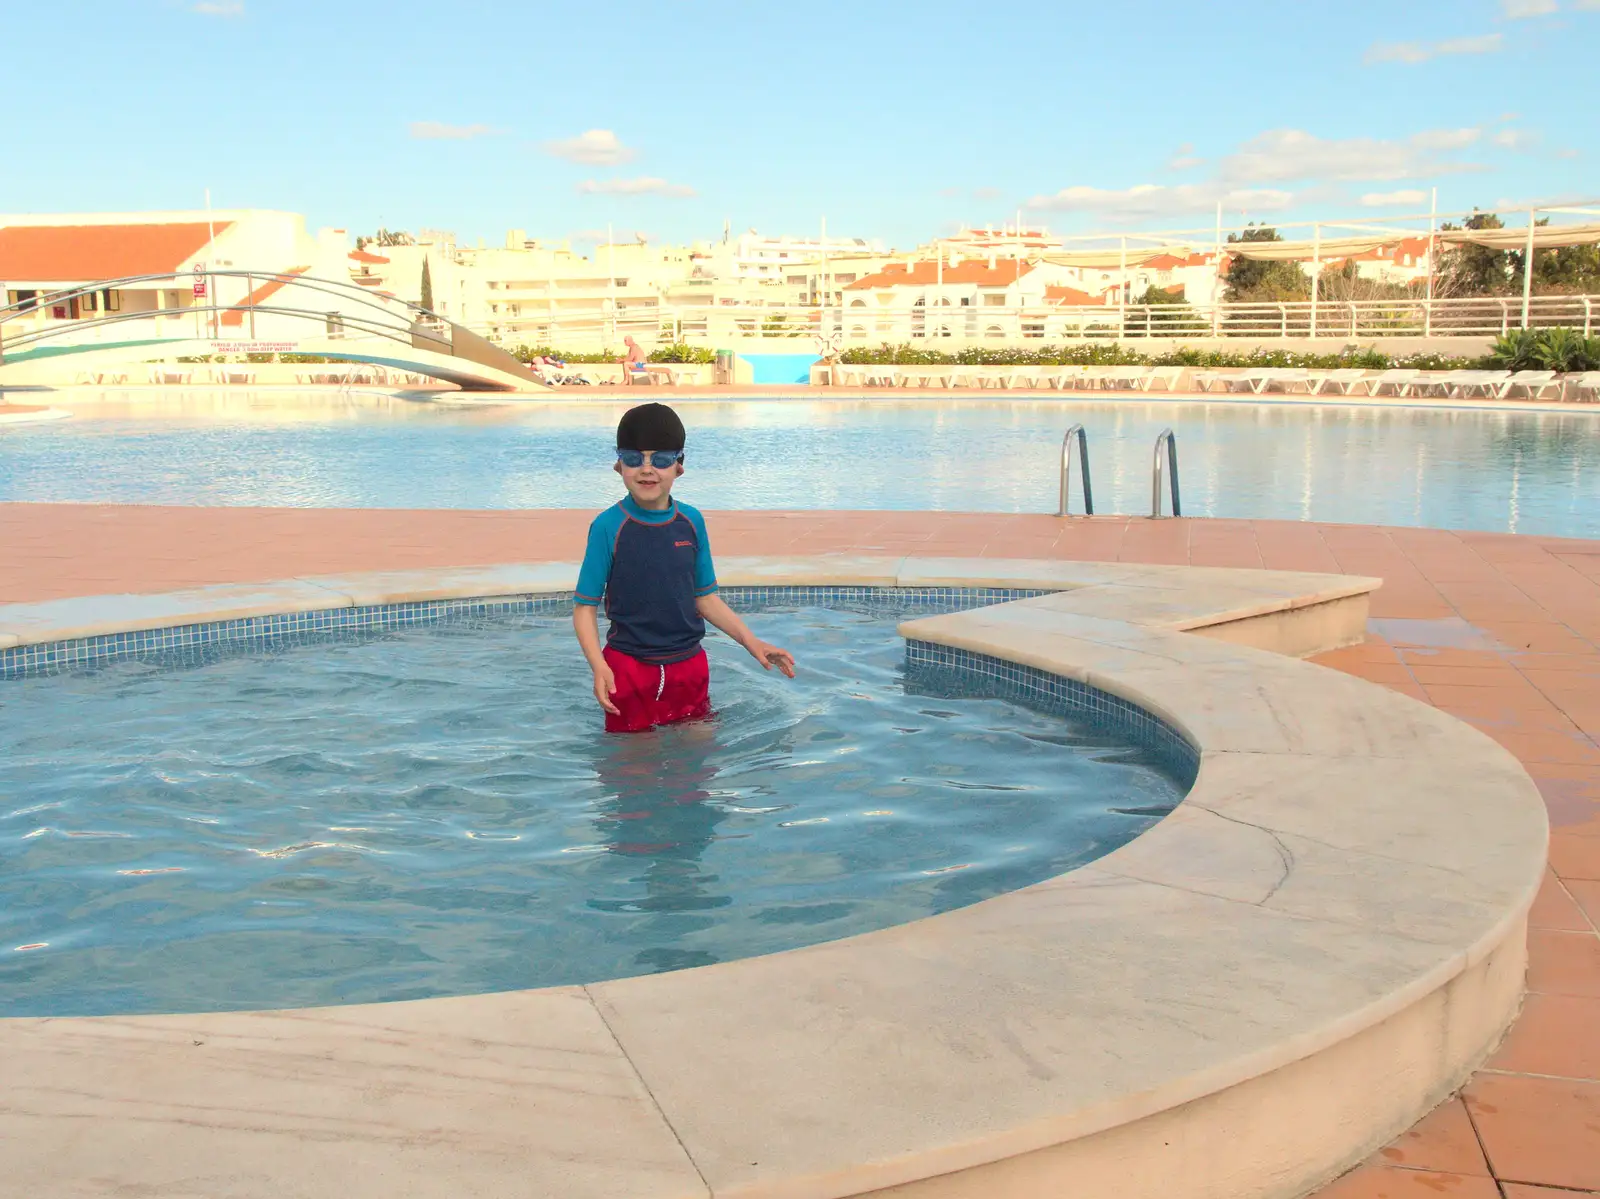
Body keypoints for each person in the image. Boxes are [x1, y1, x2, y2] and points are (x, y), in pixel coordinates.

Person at [572, 402, 795, 733]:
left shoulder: (691, 522)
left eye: (660, 459)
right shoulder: (608, 526)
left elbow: (705, 598)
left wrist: (753, 643)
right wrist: (599, 666)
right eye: (634, 459)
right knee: (634, 772)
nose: (647, 469)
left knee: (698, 767)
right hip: (629, 668)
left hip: (689, 665)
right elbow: (584, 607)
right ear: (619, 465)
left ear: (679, 466)